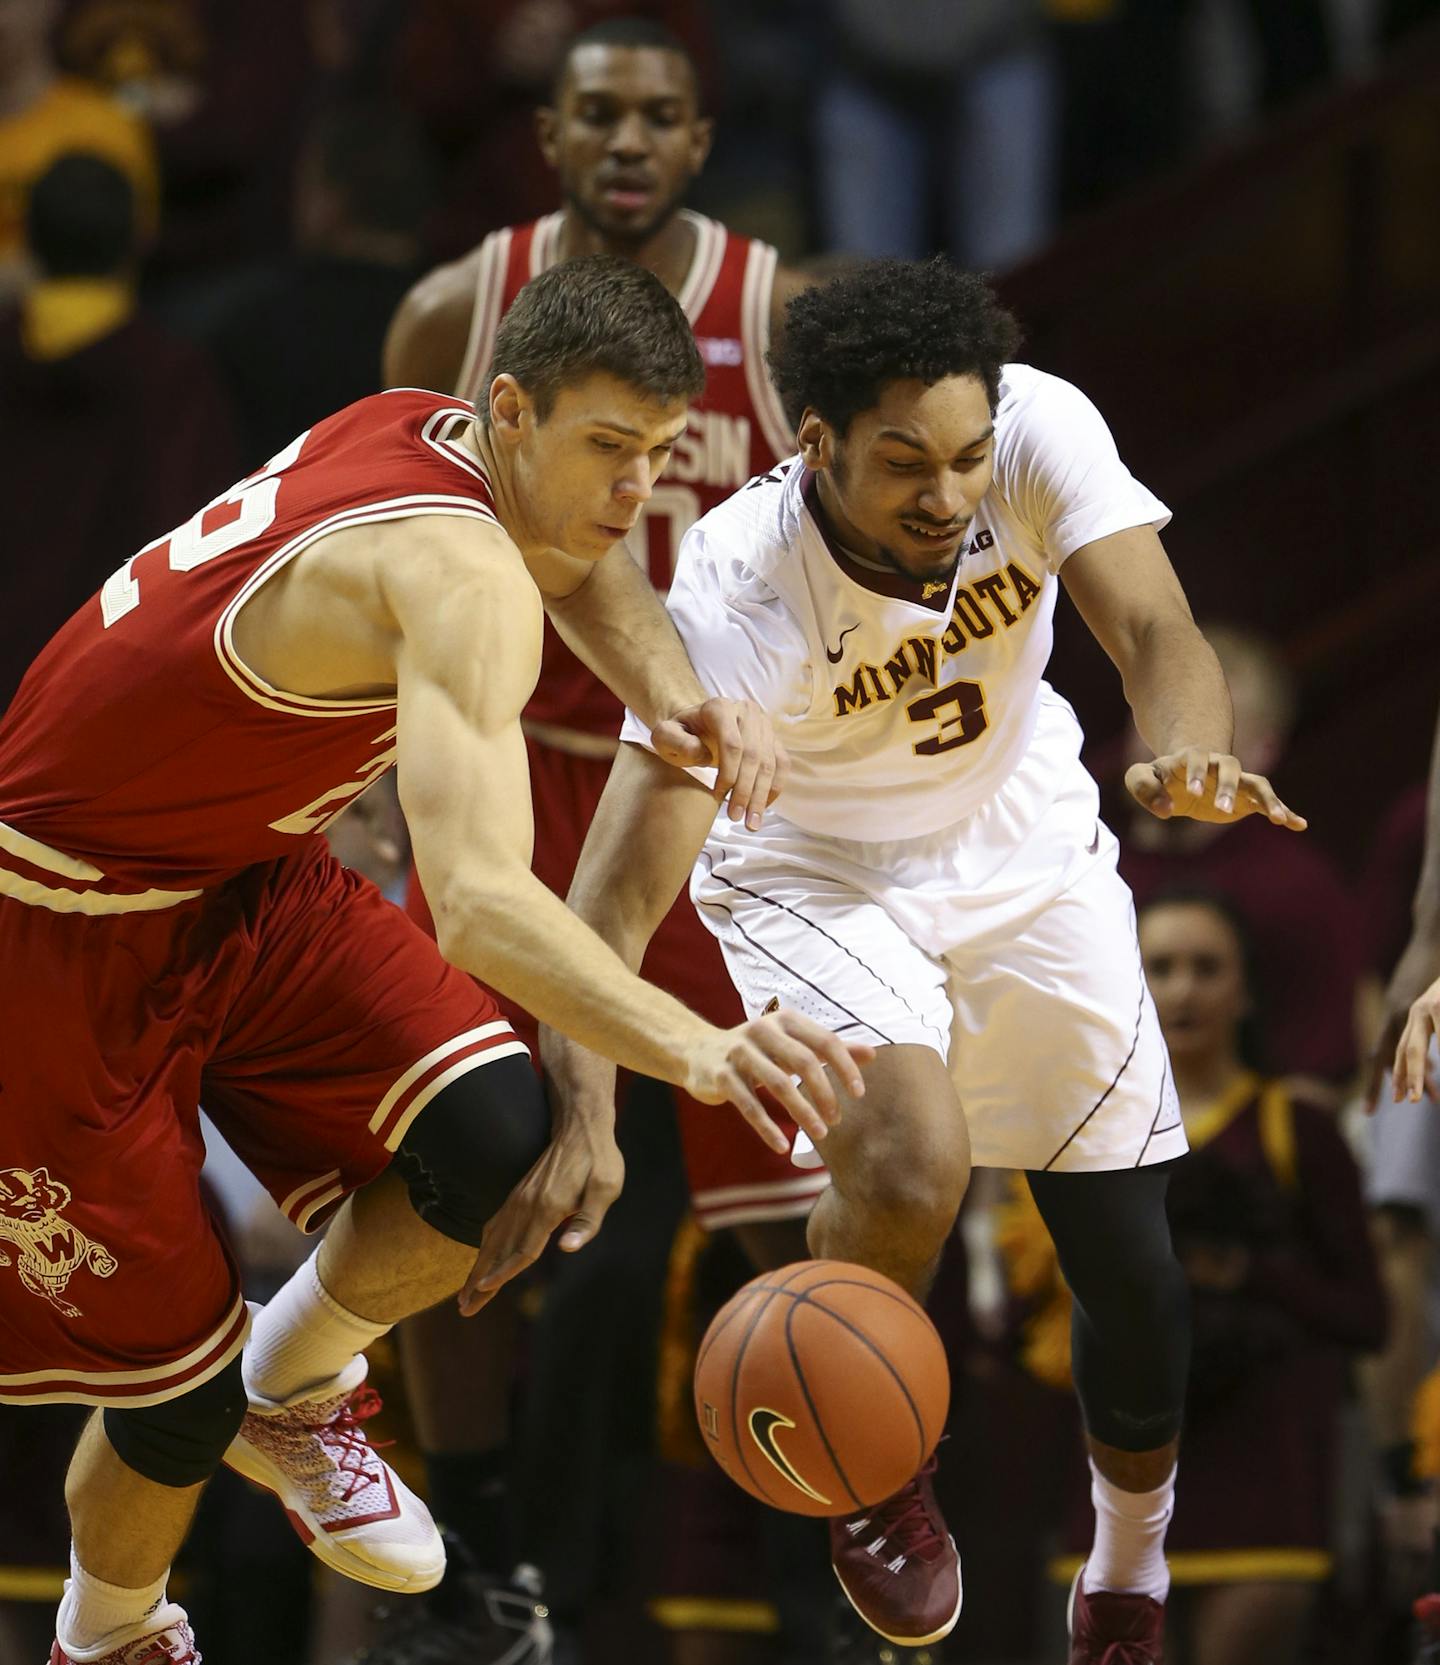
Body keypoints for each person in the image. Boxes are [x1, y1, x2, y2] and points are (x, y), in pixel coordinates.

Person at [0, 253, 871, 1665]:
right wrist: (696, 1048)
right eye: (605, 448)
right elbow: (472, 902)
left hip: (241, 873)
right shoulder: (460, 576)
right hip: (58, 923)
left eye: (655, 454)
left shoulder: (424, 419)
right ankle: (111, 1633)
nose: (630, 491)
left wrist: (676, 694)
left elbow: (582, 563)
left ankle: (297, 1385)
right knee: (171, 1397)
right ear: (514, 410)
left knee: (488, 1124)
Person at [476, 257, 1309, 1660]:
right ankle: (875, 1472)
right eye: (904, 464)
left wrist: (1186, 742)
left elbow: (1159, 629)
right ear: (817, 447)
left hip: (1020, 833)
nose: (947, 494)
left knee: (1133, 1272)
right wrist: (585, 1095)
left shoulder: (1036, 427)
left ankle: (1126, 1576)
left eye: (967, 460)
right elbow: (613, 895)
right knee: (911, 1158)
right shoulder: (740, 588)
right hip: (816, 868)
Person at [383, 23, 821, 1647]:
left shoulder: (778, 313)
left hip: (702, 784)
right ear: (547, 135)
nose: (626, 141)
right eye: (595, 115)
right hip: (497, 763)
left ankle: (808, 1579)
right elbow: (386, 539)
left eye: (656, 116)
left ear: (700, 139)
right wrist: (371, 795)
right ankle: (486, 1562)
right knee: (464, 1180)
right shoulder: (456, 307)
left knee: (779, 1198)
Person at [1007, 890, 1385, 1665]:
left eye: (1207, 968)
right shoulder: (1074, 1135)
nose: (1182, 989)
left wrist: (1241, 1273)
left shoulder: (1295, 1127)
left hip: (1265, 1485)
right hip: (1108, 1484)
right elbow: (1026, 1322)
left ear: (1245, 991)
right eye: (1161, 967)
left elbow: (1366, 1315)